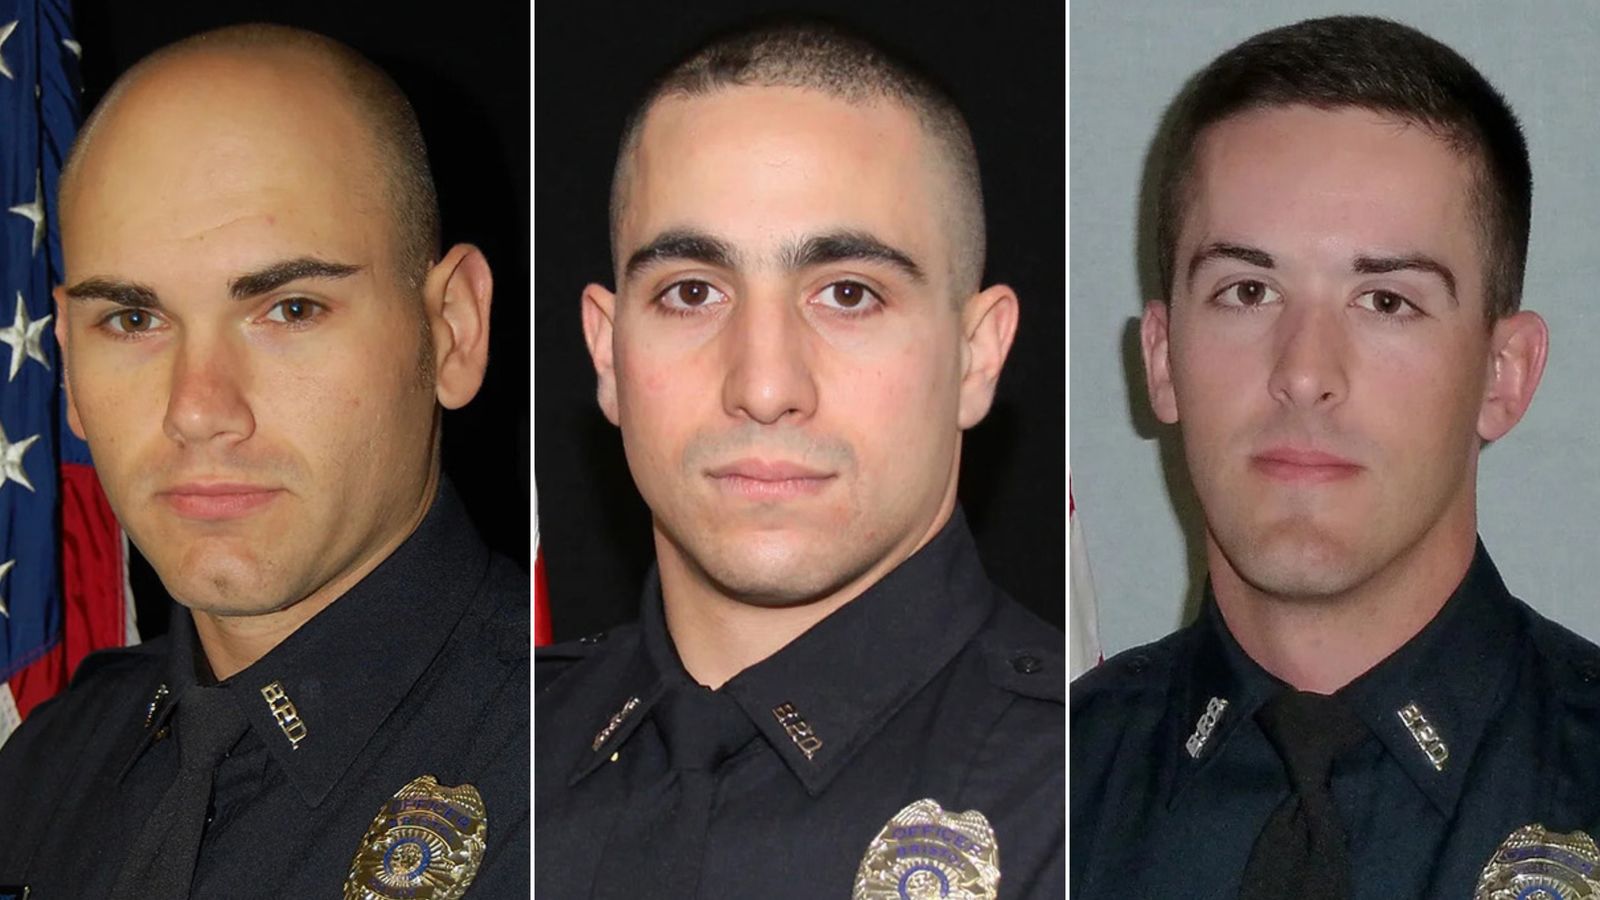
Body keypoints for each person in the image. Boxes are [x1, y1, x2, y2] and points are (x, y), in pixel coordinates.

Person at [1069, 15, 1600, 899]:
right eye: (1248, 291)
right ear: (1161, 361)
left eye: (1386, 301)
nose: (1305, 373)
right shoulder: (1045, 797)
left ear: (1502, 374)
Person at [535, 19, 1064, 899]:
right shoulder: (483, 750)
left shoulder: (1092, 798)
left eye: (848, 294)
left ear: (977, 356)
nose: (765, 384)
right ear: (607, 352)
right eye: (692, 292)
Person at [0, 24, 527, 899]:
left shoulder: (588, 791)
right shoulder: (45, 770)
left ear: (452, 330)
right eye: (132, 320)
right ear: (67, 366)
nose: (198, 409)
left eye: (290, 310)